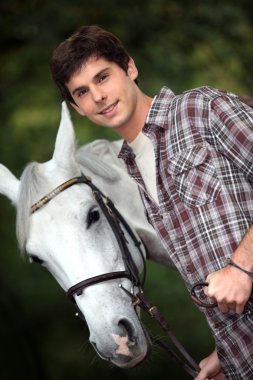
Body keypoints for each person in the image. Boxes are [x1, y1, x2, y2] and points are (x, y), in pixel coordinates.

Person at [50, 25, 253, 380]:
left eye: (103, 77)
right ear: (77, 107)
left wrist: (242, 267)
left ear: (129, 68)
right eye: (82, 91)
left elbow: (235, 273)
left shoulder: (201, 109)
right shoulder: (134, 170)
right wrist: (229, 351)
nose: (98, 96)